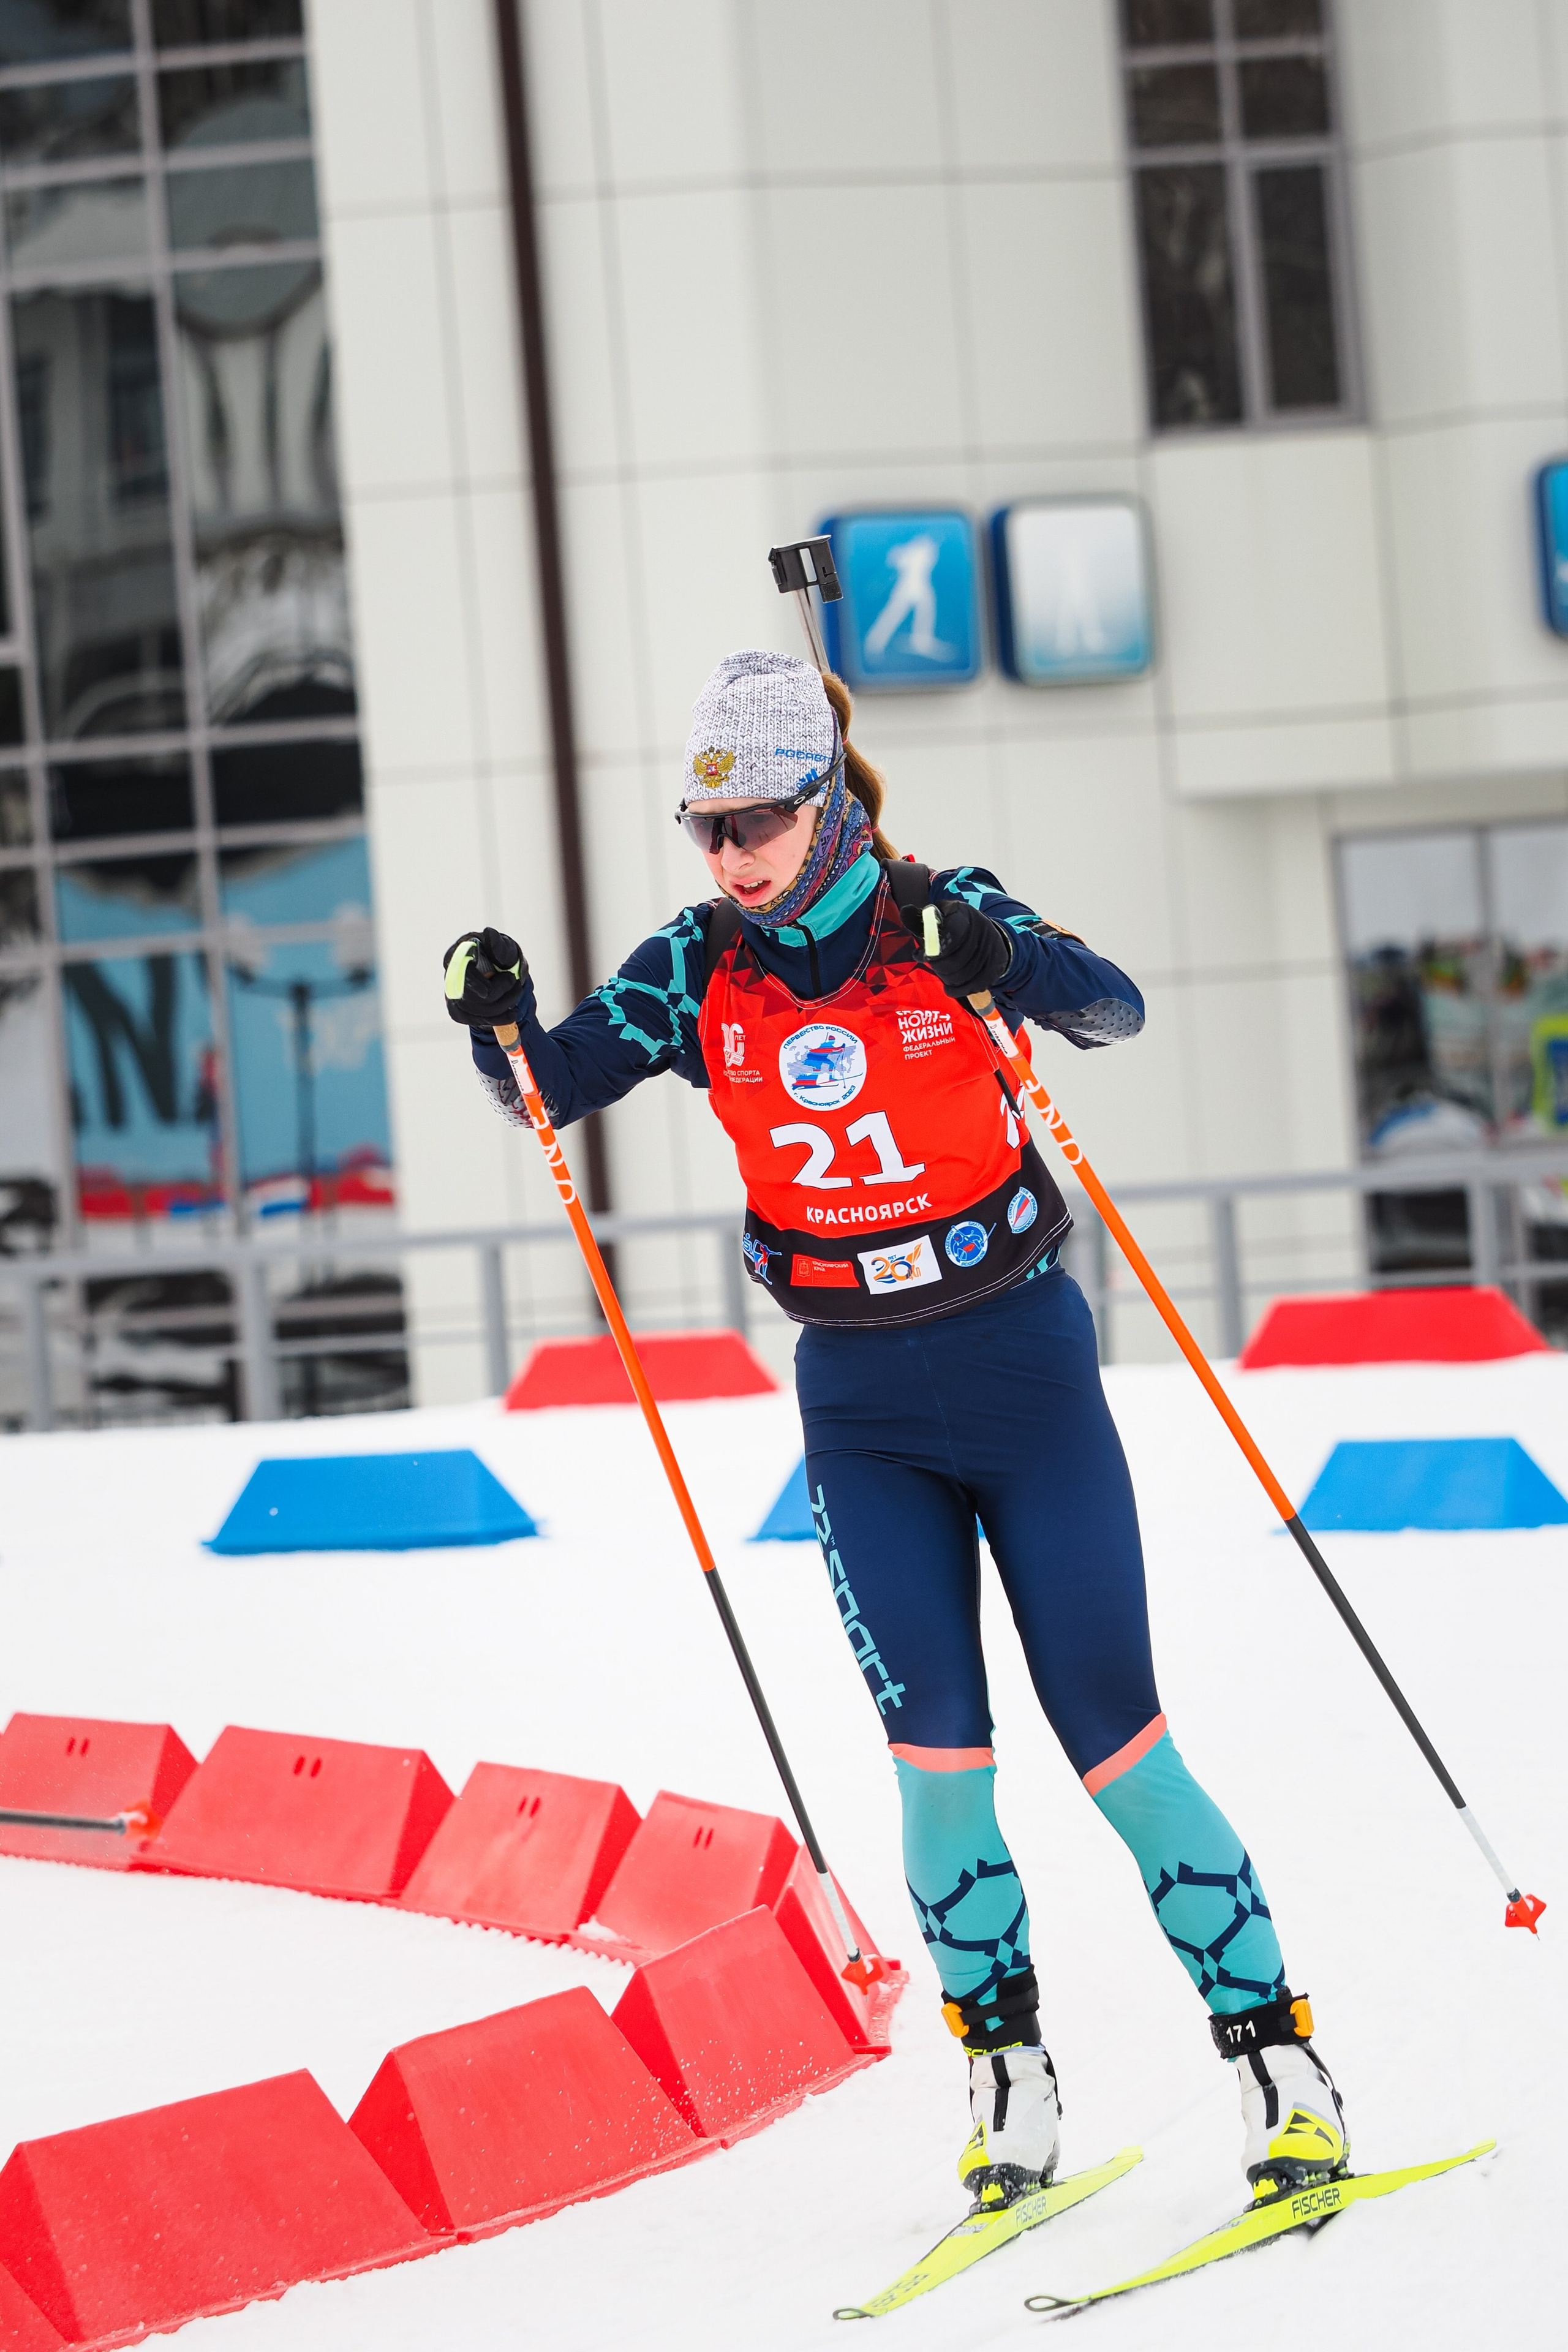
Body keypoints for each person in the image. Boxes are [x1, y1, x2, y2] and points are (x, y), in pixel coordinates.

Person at [442, 648, 1348, 2216]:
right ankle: (1007, 2077)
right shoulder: (696, 962)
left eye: (755, 823)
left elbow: (1112, 1008)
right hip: (857, 1410)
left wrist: (991, 950)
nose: (727, 857)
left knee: (1118, 1747)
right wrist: (499, 1023)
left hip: (1021, 1378)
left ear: (824, 804)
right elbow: (556, 1086)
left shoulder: (933, 908)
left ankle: (1280, 2065)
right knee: (936, 1764)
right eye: (703, 829)